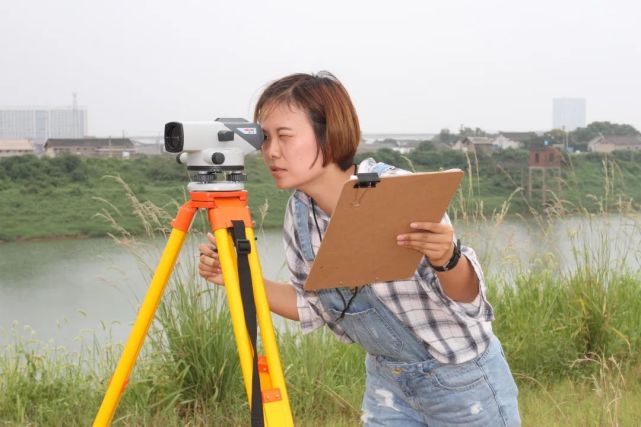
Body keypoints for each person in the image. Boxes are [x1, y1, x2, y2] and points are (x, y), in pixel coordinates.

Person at [198, 71, 520, 426]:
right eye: (265, 138)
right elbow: (312, 305)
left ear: (330, 134)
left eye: (285, 136)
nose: (271, 152)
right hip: (389, 381)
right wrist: (235, 277)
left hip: (462, 380)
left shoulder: (397, 190)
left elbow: (468, 299)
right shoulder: (300, 213)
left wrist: (448, 257)